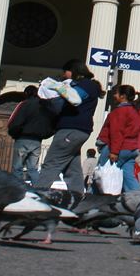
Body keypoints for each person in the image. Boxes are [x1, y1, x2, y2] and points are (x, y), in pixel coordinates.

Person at [34, 60, 102, 193]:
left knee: (51, 163)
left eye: (65, 72)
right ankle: (78, 198)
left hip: (70, 129)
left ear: (73, 71)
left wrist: (56, 86)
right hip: (79, 131)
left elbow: (76, 98)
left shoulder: (85, 85)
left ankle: (37, 194)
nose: (64, 75)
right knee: (72, 169)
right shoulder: (89, 85)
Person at [96, 84, 140, 191]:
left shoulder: (119, 111)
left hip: (118, 148)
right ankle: (137, 199)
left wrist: (114, 152)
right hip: (133, 149)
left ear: (123, 96)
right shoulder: (135, 111)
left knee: (101, 174)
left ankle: (94, 197)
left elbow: (117, 133)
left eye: (116, 93)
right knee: (129, 177)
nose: (114, 96)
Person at [7, 85, 55, 183]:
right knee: (33, 169)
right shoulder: (45, 107)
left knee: (17, 168)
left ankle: (17, 189)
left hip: (23, 138)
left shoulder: (24, 104)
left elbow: (13, 121)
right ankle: (39, 189)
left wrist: (13, 133)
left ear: (26, 94)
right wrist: (44, 135)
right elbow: (51, 124)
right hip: (37, 141)